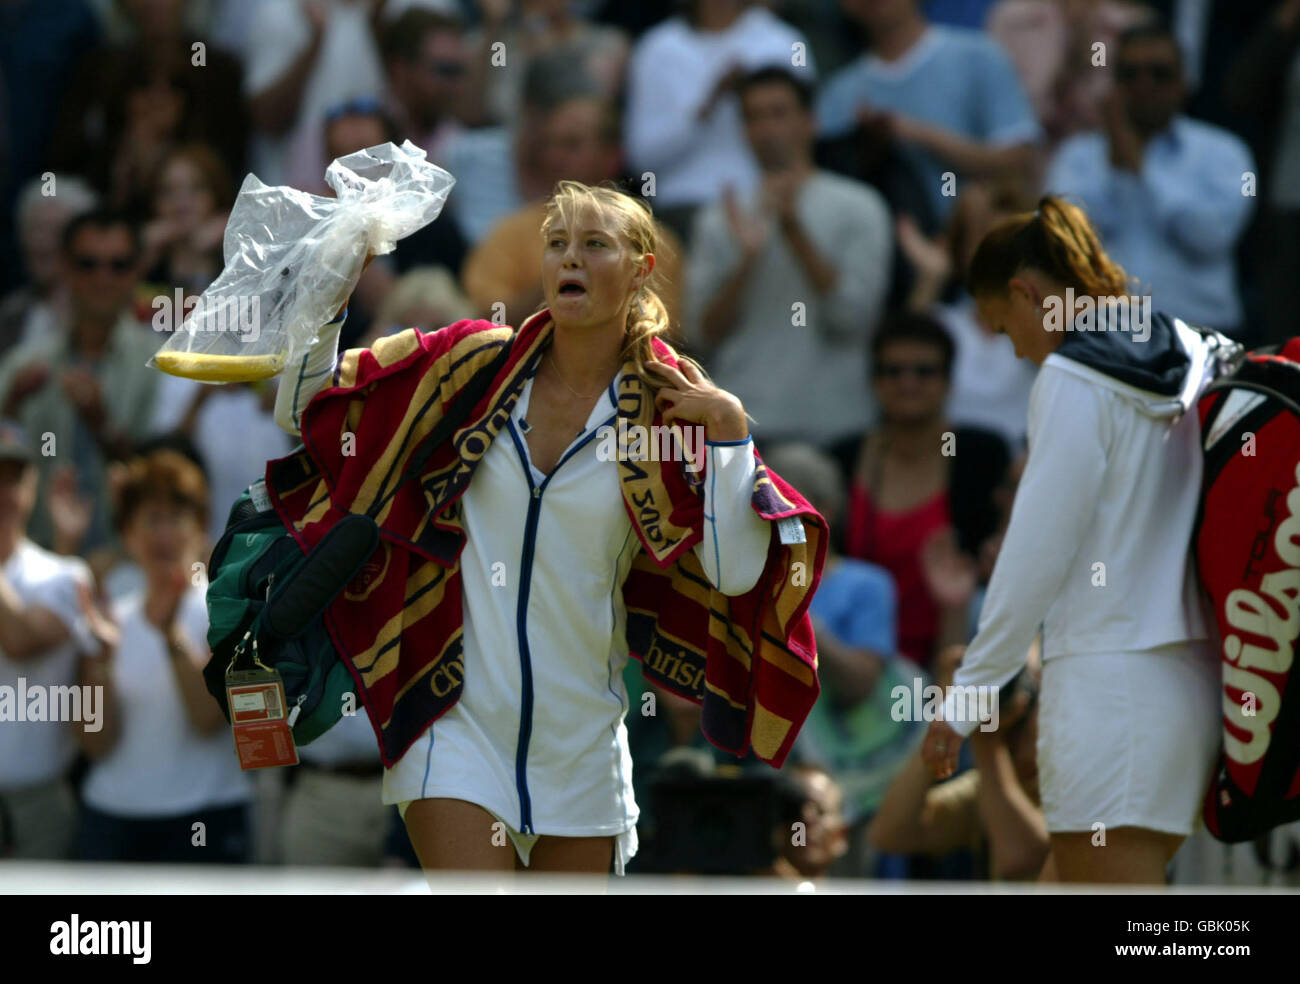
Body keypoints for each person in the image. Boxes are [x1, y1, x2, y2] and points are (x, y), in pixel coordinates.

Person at [269, 180, 826, 876]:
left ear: (642, 268)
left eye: (595, 245)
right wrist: (330, 289)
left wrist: (732, 441)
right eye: (558, 244)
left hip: (585, 750)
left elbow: (733, 572)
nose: (571, 259)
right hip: (452, 727)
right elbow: (304, 411)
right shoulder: (468, 365)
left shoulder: (675, 407)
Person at [922, 194, 1223, 885]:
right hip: (1191, 684)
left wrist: (966, 699)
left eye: (1004, 327)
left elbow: (1034, 553)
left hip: (1108, 689)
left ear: (1028, 294)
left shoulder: (1069, 377)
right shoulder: (1197, 348)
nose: (1017, 348)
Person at [684, 66, 892, 447]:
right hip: (743, 430)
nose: (766, 129)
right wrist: (747, 262)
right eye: (753, 117)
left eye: (778, 113)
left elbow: (853, 318)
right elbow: (702, 334)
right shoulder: (718, 217)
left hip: (836, 428)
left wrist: (793, 229)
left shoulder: (860, 207)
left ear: (810, 122)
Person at [75, 449, 252, 863]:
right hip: (114, 822)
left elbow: (209, 720)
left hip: (205, 819)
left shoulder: (227, 612)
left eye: (178, 517)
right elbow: (94, 744)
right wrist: (99, 660)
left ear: (200, 528)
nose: (165, 533)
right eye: (152, 519)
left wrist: (171, 635)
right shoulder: (107, 620)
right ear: (128, 535)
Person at [1043, 21, 1256, 335]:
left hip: (1200, 334)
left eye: (1159, 73)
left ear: (1185, 81)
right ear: (1114, 82)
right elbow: (1067, 242)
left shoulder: (1224, 152)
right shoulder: (1077, 156)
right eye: (1131, 74)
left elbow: (1210, 237)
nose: (1145, 85)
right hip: (1102, 333)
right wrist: (1116, 163)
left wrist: (1139, 166)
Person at [827, 313, 1011, 671]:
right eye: (892, 371)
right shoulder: (844, 457)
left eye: (925, 371)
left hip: (959, 650)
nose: (908, 383)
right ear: (873, 381)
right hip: (857, 664)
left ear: (949, 380)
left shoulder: (980, 455)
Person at [0, 210, 163, 554]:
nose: (102, 277)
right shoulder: (24, 363)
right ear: (65, 268)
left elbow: (164, 479)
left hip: (130, 568)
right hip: (38, 563)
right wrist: (10, 407)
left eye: (118, 264)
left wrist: (102, 426)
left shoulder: (162, 363)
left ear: (136, 271)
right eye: (88, 264)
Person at [462, 93, 685, 333]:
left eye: (571, 145)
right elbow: (488, 323)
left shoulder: (655, 244)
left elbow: (660, 335)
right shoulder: (509, 232)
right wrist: (563, 279)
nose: (555, 157)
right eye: (550, 145)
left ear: (612, 157)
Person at [816, 0, 1041, 230]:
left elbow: (1019, 161)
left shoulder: (979, 56)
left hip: (981, 245)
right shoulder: (838, 94)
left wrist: (921, 136)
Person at [623, 0, 816, 240]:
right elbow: (643, 158)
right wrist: (707, 107)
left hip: (770, 199)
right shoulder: (656, 48)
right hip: (682, 207)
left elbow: (804, 130)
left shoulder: (786, 42)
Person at [0, 421, 94, 859]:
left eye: (12, 479)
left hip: (37, 803)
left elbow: (18, 639)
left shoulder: (65, 575)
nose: (2, 493)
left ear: (31, 488)